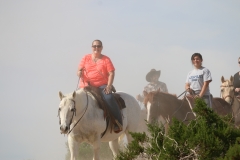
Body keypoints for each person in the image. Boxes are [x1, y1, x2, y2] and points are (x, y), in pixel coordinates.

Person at [77, 39, 122, 133]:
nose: (96, 48)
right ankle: (73, 124)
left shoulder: (106, 59)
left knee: (109, 98)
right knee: (75, 100)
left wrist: (109, 86)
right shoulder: (85, 58)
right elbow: (78, 71)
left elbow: (111, 73)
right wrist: (79, 72)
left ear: (101, 48)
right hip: (86, 86)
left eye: (98, 46)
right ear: (92, 47)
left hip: (101, 85)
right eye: (94, 46)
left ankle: (117, 122)